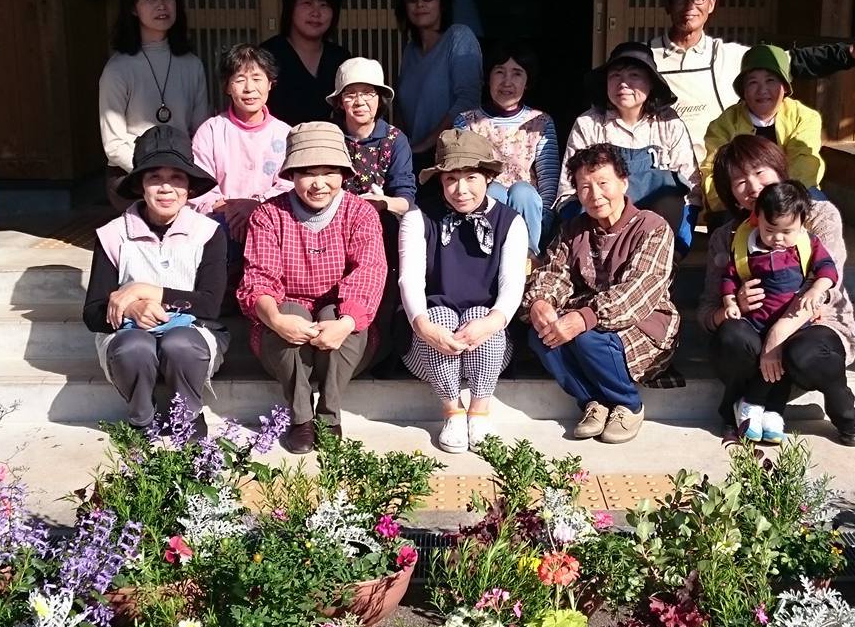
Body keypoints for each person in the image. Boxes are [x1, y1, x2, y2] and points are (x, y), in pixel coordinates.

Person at [699, 135, 855, 447]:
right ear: (731, 193)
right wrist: (732, 307)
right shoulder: (727, 237)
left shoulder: (818, 216)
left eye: (760, 172)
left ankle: (843, 404)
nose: (753, 186)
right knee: (732, 337)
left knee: (806, 353)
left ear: (780, 171)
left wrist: (776, 338)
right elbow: (707, 310)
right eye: (739, 181)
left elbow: (827, 285)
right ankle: (742, 408)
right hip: (755, 326)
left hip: (814, 324)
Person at [237, 122, 389, 454]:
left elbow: (369, 271)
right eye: (307, 173)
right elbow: (258, 278)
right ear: (292, 175)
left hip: (340, 331)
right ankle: (301, 417)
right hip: (288, 333)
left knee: (340, 316)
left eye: (329, 172)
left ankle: (329, 415)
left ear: (343, 174)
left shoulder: (361, 213)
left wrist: (345, 323)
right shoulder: (268, 215)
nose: (319, 184)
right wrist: (277, 320)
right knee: (288, 311)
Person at [648, 0, 855, 159]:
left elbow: (796, 61)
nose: (690, 6)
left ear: (711, 4)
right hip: (666, 171)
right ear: (667, 5)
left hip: (723, 169)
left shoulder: (730, 55)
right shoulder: (645, 58)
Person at [525, 144, 678, 445]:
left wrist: (585, 317)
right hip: (590, 320)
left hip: (642, 323)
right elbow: (554, 273)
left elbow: (638, 292)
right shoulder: (573, 229)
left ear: (623, 183)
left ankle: (628, 404)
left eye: (603, 183)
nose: (595, 195)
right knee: (540, 334)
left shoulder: (652, 227)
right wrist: (541, 302)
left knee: (587, 337)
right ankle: (593, 401)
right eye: (585, 187)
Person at [83, 124, 228, 432]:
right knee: (135, 347)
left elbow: (211, 305)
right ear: (140, 186)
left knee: (179, 344)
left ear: (189, 188)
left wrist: (144, 290)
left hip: (194, 333)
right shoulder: (113, 234)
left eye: (177, 178)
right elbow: (93, 314)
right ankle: (141, 419)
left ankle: (187, 417)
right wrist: (131, 308)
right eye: (154, 178)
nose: (166, 188)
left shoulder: (208, 232)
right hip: (129, 336)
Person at [399, 130, 529, 453]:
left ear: (488, 177)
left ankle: (479, 411)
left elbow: (512, 284)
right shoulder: (417, 217)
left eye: (471, 178)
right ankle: (453, 411)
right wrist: (424, 327)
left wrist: (490, 322)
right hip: (426, 345)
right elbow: (409, 279)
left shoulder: (511, 222)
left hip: (488, 346)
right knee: (440, 315)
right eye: (451, 179)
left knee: (481, 314)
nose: (461, 190)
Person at [715, 179, 841, 444]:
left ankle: (767, 410)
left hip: (792, 325)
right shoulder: (745, 247)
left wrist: (816, 290)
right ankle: (754, 407)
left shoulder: (808, 245)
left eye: (787, 231)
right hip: (756, 322)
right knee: (763, 360)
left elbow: (828, 270)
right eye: (770, 230)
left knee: (783, 363)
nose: (778, 239)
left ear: (802, 223)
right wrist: (730, 302)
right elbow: (729, 278)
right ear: (757, 218)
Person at [558, 41, 700, 243]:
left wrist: (680, 246)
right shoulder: (588, 124)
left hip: (653, 237)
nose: (623, 84)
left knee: (670, 186)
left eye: (634, 75)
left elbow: (690, 191)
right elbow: (568, 191)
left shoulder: (669, 124)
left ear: (651, 83)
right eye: (615, 76)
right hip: (598, 235)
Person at [99, 0, 211, 206]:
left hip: (182, 173)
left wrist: (179, 173)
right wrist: (153, 175)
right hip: (131, 175)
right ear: (133, 8)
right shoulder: (118, 68)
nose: (162, 5)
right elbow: (114, 145)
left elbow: (200, 132)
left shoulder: (192, 65)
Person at [453, 39, 559, 251]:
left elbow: (548, 181)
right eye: (500, 72)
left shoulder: (540, 122)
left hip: (529, 210)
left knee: (523, 192)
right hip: (479, 210)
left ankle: (528, 257)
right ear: (488, 78)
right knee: (493, 191)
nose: (507, 82)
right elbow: (460, 173)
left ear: (527, 81)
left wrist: (546, 217)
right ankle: (488, 256)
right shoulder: (465, 122)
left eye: (517, 73)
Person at [700, 45, 825, 219]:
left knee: (820, 210)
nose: (762, 90)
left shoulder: (804, 117)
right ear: (743, 90)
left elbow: (804, 161)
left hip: (791, 195)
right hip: (740, 201)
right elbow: (713, 171)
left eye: (770, 80)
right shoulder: (724, 123)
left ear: (785, 86)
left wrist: (777, 201)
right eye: (753, 82)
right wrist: (741, 202)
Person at [190, 43, 292, 245]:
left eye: (257, 79)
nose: (249, 88)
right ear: (227, 86)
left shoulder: (285, 133)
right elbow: (199, 187)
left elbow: (289, 185)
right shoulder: (210, 131)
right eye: (239, 79)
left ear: (270, 83)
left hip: (272, 227)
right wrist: (232, 211)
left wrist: (256, 206)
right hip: (220, 224)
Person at [395, 0, 483, 164]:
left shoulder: (459, 36)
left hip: (451, 159)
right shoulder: (410, 50)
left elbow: (468, 101)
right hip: (413, 156)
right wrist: (400, 147)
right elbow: (401, 108)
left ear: (442, 3)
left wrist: (427, 144)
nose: (420, 3)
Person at [259, 0, 354, 126]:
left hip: (330, 140)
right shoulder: (266, 55)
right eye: (307, 3)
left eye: (324, 5)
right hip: (277, 141)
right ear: (290, 7)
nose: (316, 13)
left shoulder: (340, 58)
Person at [330, 57, 416, 217]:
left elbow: (405, 200)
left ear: (380, 99)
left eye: (367, 93)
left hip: (381, 223)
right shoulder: (329, 135)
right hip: (334, 222)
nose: (359, 101)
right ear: (340, 102)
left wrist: (381, 202)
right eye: (350, 94)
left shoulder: (395, 139)